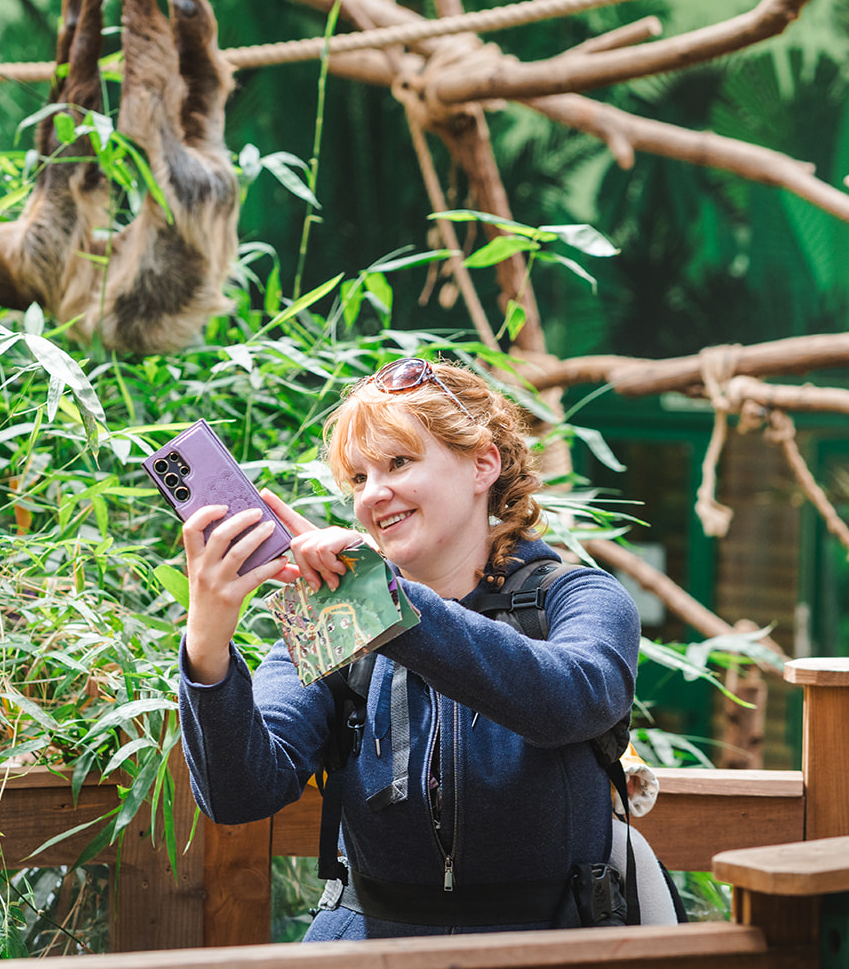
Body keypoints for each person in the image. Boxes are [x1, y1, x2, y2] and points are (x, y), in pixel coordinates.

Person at [177, 358, 644, 939]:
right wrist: (207, 641)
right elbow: (240, 792)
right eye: (357, 478)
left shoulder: (574, 597)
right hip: (367, 940)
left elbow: (567, 700)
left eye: (398, 462)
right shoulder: (337, 616)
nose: (375, 494)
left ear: (483, 465)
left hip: (543, 940)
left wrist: (384, 601)